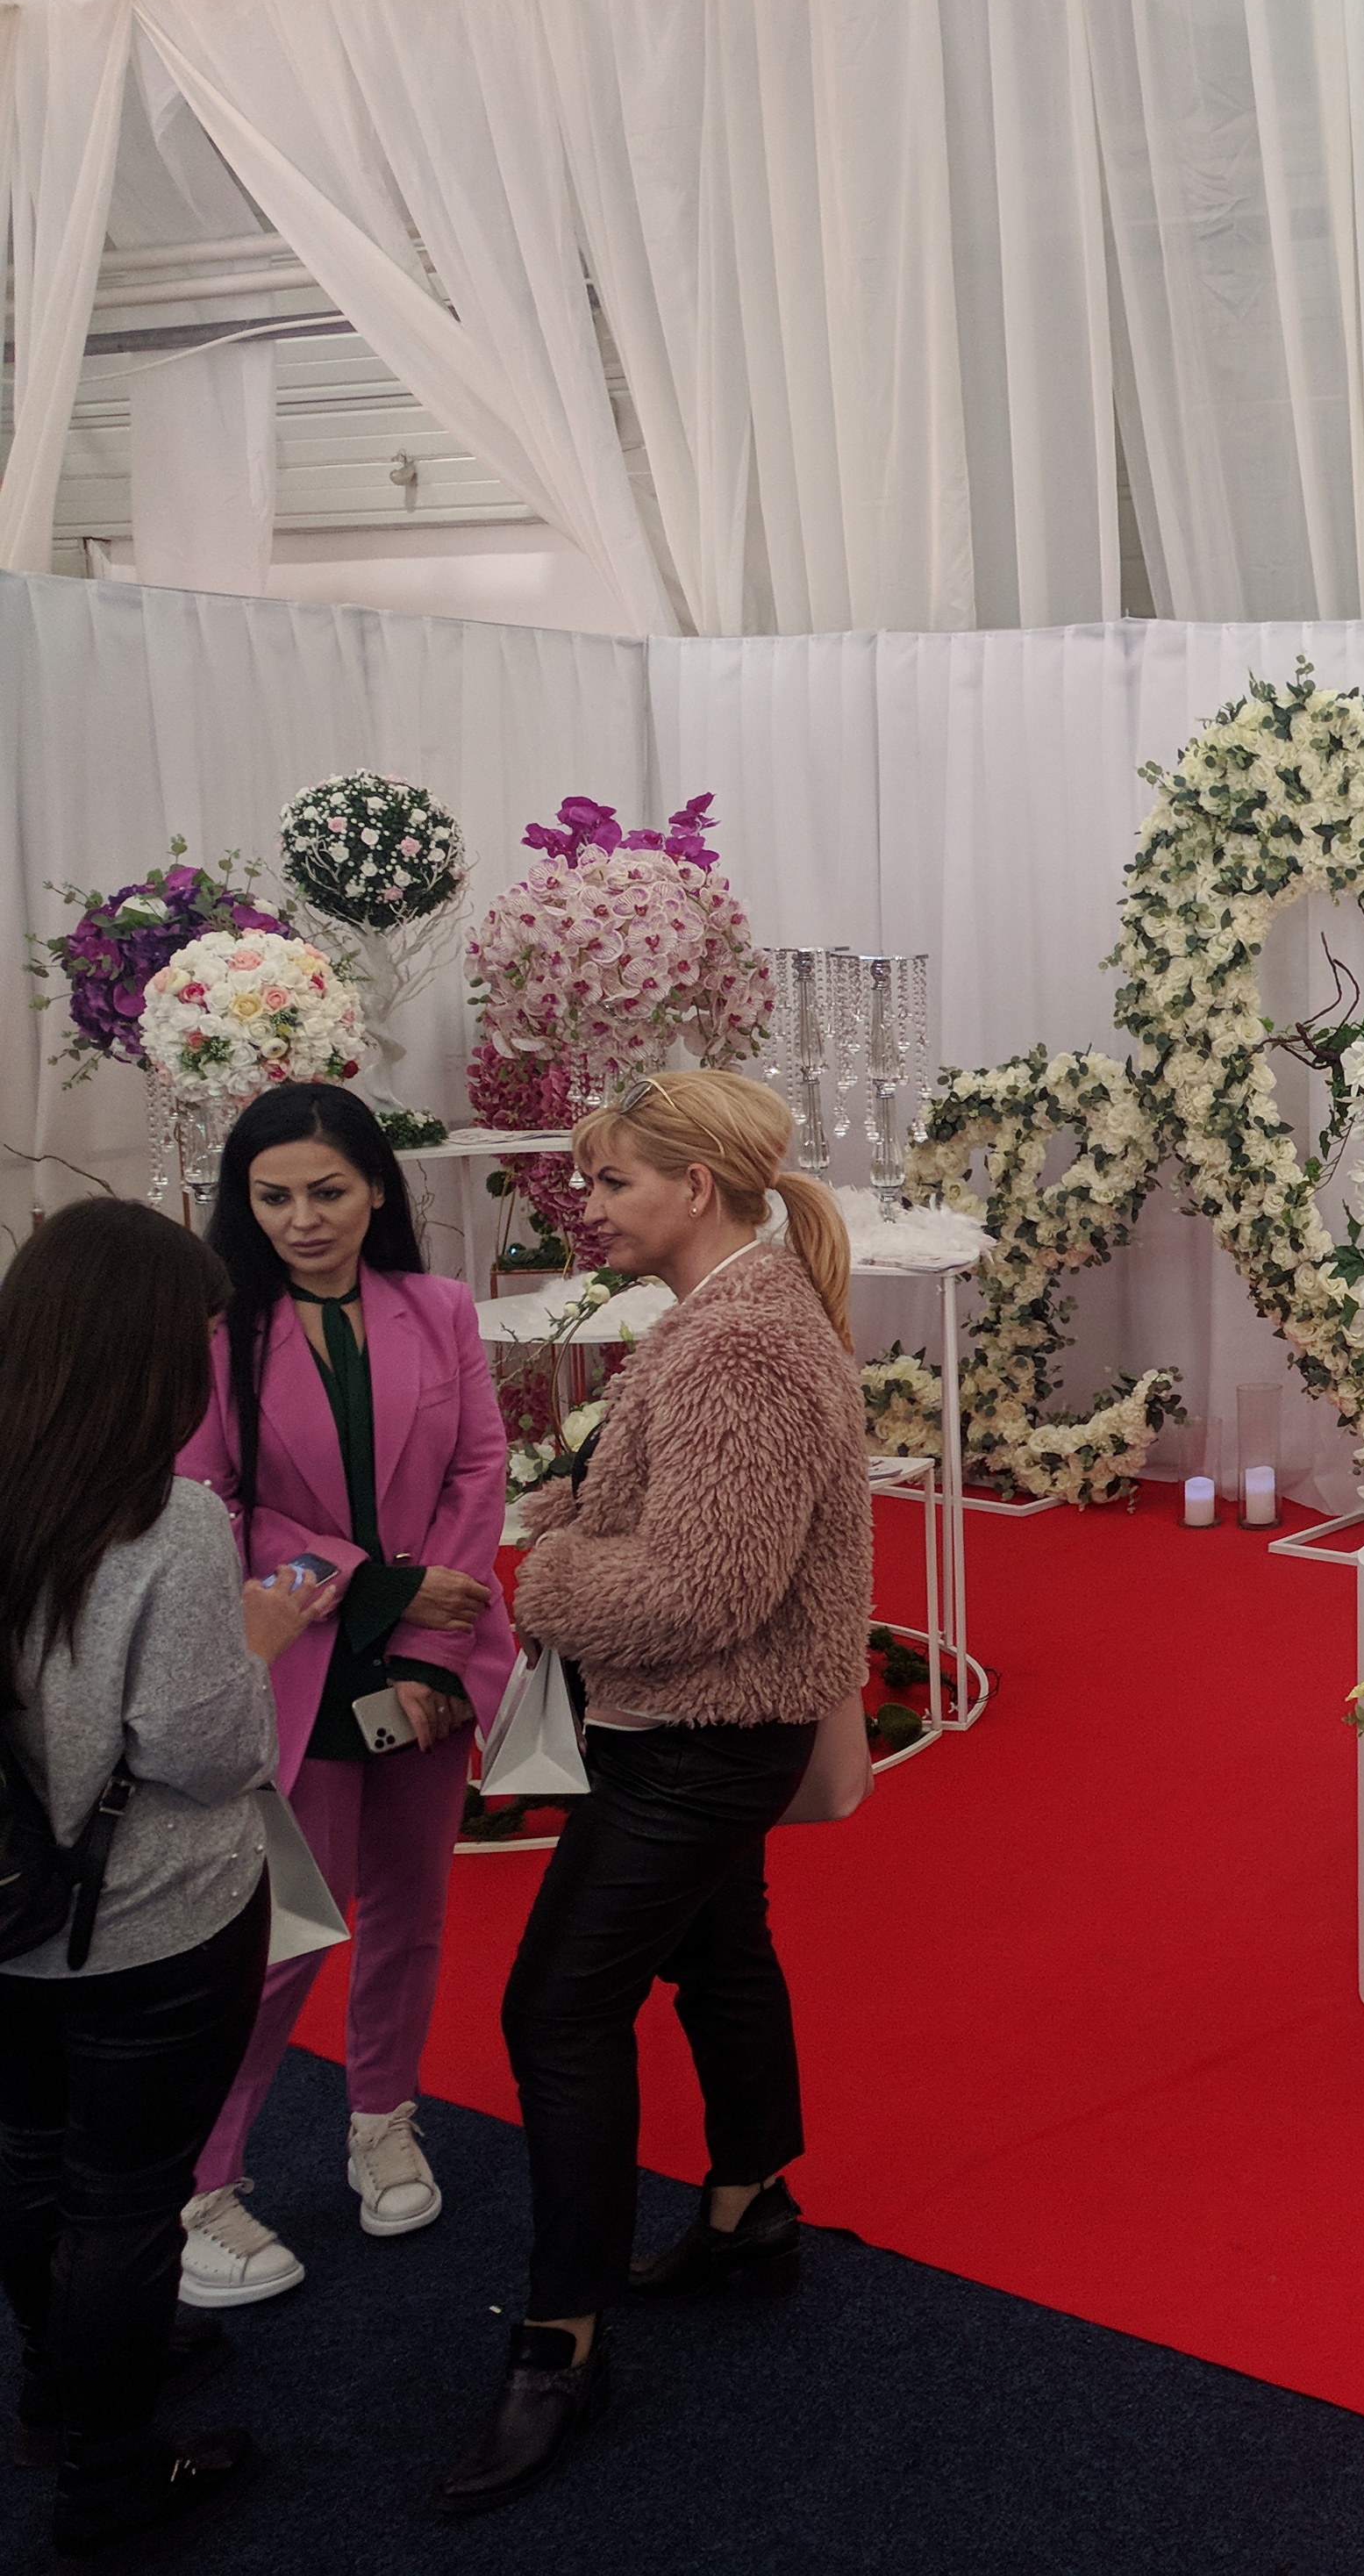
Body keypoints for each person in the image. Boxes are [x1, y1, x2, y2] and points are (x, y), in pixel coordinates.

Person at [443, 1070, 868, 2515]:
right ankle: (748, 2206)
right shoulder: (736, 1314)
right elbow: (706, 1529)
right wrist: (584, 1507)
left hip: (698, 1733)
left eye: (613, 1180)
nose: (588, 1205)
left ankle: (561, 2342)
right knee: (720, 1950)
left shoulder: (735, 1339)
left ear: (697, 1186)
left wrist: (547, 1571)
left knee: (555, 2010)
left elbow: (704, 1589)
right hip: (715, 1725)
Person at [0, 1199, 338, 2558]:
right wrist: (256, 1639)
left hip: (10, 1911)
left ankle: (56, 2387)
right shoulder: (167, 1521)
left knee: (30, 2160)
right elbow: (203, 1752)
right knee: (127, 2198)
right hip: (146, 1918)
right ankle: (110, 2478)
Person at [175, 1084, 515, 2308]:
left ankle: (383, 2118)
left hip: (432, 1653)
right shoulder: (221, 1332)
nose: (302, 1219)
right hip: (304, 1654)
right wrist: (366, 1583)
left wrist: (427, 1639)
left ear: (377, 1187)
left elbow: (479, 1466)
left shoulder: (439, 1307)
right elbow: (210, 1508)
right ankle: (199, 2183)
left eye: (327, 1191)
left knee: (412, 1911)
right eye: (273, 1197)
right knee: (286, 1930)